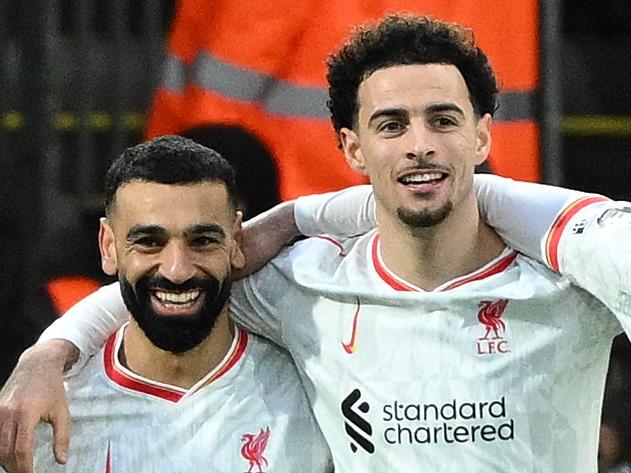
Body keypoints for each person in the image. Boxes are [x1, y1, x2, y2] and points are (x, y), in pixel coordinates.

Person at [1, 13, 630, 472]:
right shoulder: (305, 283)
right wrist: (49, 353)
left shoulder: (572, 275)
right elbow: (179, 285)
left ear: (482, 137)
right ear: (352, 148)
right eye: (391, 125)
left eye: (443, 119)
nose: (420, 144)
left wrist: (552, 217)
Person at [0, 135, 332, 472]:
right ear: (108, 247)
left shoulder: (314, 388)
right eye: (148, 242)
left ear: (236, 241)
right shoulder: (43, 415)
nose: (177, 270)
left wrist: (296, 215)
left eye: (202, 241)